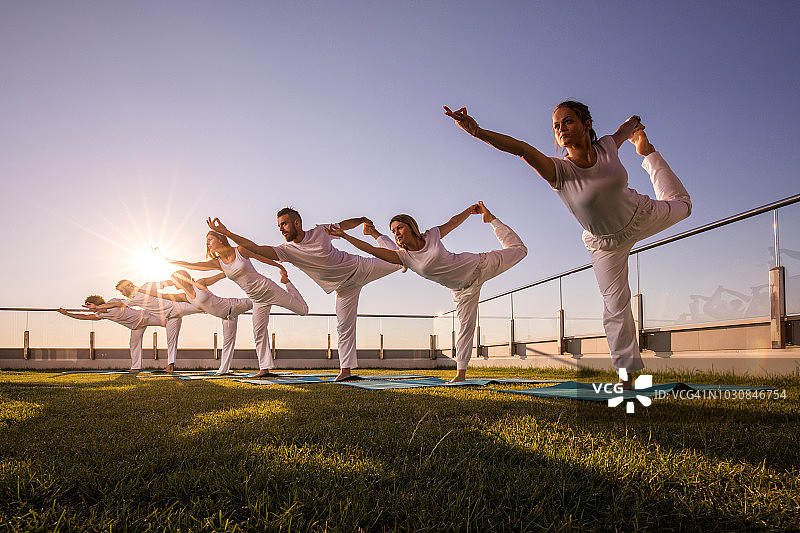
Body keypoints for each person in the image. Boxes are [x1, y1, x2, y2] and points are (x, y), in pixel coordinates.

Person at [443, 101, 691, 388]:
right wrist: (477, 131)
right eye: (556, 126)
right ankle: (626, 377)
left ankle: (647, 153)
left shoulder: (608, 145)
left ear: (586, 124)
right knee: (615, 305)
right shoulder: (558, 171)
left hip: (641, 214)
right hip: (605, 245)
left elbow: (624, 129)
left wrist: (635, 125)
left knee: (684, 206)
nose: (561, 129)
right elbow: (521, 149)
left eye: (567, 121)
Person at [324, 202, 527, 382]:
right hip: (462, 290)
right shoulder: (404, 257)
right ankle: (461, 374)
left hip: (479, 265)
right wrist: (345, 235)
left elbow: (453, 222)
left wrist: (471, 210)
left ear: (411, 227)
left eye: (399, 227)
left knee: (519, 250)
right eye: (393, 231)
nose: (396, 233)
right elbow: (371, 250)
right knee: (466, 328)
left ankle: (491, 220)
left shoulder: (431, 235)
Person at [207, 208, 401, 381]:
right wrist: (228, 233)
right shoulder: (286, 251)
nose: (281, 229)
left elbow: (343, 225)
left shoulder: (320, 231)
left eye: (283, 224)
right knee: (344, 326)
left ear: (296, 223)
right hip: (344, 289)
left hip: (360, 268)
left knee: (398, 260)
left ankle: (377, 235)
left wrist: (362, 221)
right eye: (278, 226)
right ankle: (346, 370)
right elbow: (256, 248)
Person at [168, 230, 308, 378]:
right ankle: (264, 369)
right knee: (258, 332)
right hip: (256, 299)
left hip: (268, 289)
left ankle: (288, 285)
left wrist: (280, 268)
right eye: (206, 240)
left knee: (303, 310)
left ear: (220, 240)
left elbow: (260, 256)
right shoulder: (218, 263)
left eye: (210, 239)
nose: (208, 243)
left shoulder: (240, 250)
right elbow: (193, 265)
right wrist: (168, 260)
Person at [136, 271, 254, 375]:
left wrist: (237, 271)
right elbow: (162, 295)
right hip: (227, 317)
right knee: (228, 343)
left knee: (259, 300)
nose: (173, 284)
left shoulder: (199, 284)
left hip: (233, 305)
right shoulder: (185, 297)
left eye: (174, 281)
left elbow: (223, 275)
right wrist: (140, 290)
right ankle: (223, 371)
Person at [112, 279, 203, 372]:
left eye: (122, 290)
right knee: (171, 340)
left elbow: (168, 283)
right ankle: (170, 366)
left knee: (204, 307)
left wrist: (187, 283)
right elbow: (118, 304)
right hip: (170, 318)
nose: (122, 293)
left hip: (177, 307)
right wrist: (99, 307)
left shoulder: (147, 285)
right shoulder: (133, 300)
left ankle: (211, 302)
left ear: (129, 286)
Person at [58, 295, 165, 371]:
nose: (89, 309)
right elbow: (84, 317)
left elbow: (128, 302)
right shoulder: (100, 315)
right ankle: (136, 367)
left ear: (96, 303)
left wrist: (98, 307)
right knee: (133, 345)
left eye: (89, 305)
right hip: (136, 327)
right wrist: (67, 314)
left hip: (144, 317)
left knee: (168, 323)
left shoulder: (113, 302)